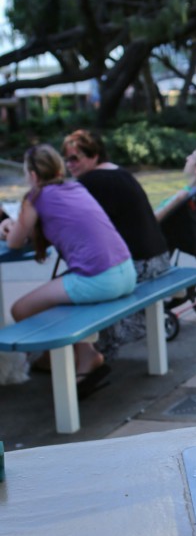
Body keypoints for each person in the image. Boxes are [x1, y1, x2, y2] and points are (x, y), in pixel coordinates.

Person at [0, 144, 136, 390]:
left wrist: (6, 226)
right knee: (52, 299)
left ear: (33, 175)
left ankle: (76, 357)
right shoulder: (75, 187)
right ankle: (62, 357)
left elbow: (14, 242)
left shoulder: (36, 197)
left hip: (100, 279)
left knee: (21, 309)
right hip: (126, 271)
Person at [61, 129, 171, 360]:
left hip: (139, 266)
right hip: (159, 259)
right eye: (66, 159)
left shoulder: (92, 182)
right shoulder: (119, 173)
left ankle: (90, 352)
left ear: (94, 155)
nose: (69, 165)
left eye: (75, 158)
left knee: (72, 286)